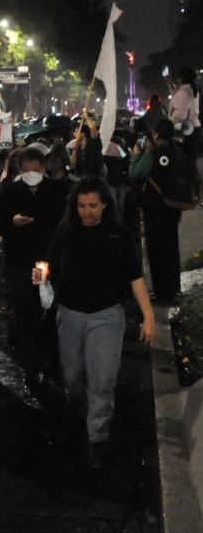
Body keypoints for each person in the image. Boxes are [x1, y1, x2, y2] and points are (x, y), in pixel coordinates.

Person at [36, 177, 156, 469]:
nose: (86, 212)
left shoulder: (118, 234)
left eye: (92, 206)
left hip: (106, 316)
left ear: (105, 205)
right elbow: (49, 264)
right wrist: (41, 276)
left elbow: (134, 277)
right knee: (74, 378)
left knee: (102, 379)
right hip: (70, 314)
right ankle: (83, 415)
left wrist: (148, 317)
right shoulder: (65, 231)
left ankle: (97, 439)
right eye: (81, 206)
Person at [0, 145, 70, 386]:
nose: (31, 175)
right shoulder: (10, 193)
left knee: (51, 315)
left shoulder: (59, 191)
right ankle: (31, 365)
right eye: (26, 171)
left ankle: (54, 365)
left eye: (35, 170)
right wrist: (11, 222)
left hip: (51, 263)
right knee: (25, 316)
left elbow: (68, 223)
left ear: (43, 168)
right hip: (19, 265)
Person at [129, 119, 184, 303]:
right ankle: (174, 289)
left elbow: (135, 172)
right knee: (171, 247)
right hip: (173, 206)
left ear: (157, 134)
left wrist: (137, 154)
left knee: (156, 249)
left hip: (155, 207)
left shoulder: (153, 153)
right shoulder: (177, 152)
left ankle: (162, 292)